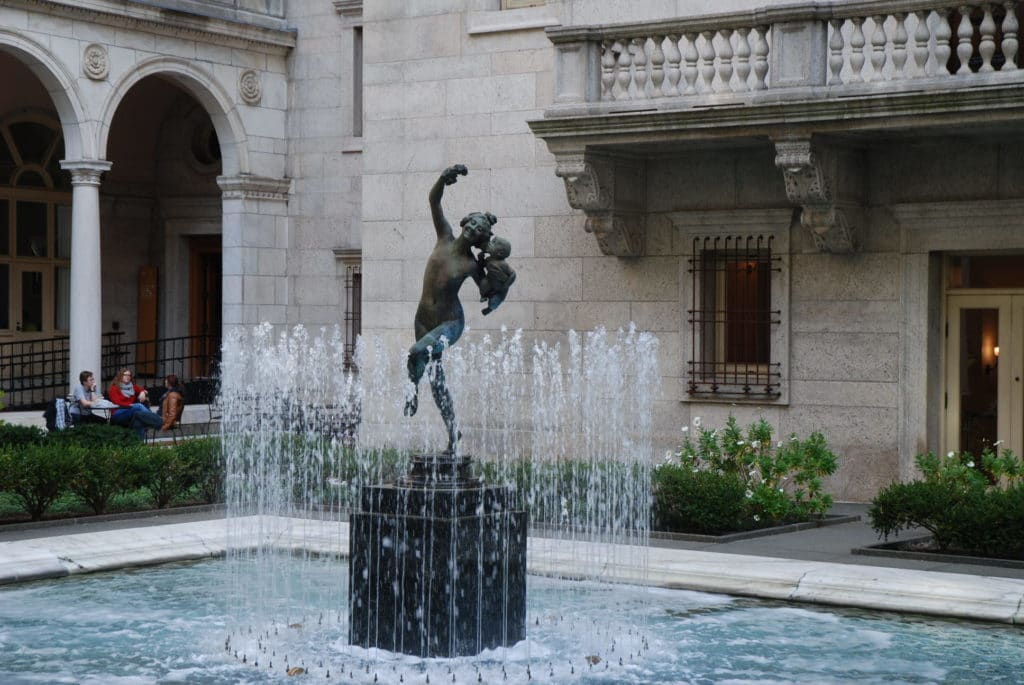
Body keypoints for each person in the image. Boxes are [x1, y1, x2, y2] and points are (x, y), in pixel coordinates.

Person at [404, 164, 495, 453]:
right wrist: (442, 179)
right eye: (471, 224)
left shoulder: (471, 264)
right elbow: (434, 201)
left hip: (450, 323)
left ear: (481, 238)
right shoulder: (444, 236)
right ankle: (453, 432)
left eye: (479, 230)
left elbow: (486, 293)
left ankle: (410, 393)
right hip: (423, 318)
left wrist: (494, 276)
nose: (472, 230)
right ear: (465, 223)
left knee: (416, 352)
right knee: (436, 378)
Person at [108, 368, 162, 438]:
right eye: (125, 375)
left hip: (130, 411)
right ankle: (158, 421)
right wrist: (131, 406)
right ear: (120, 376)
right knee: (138, 406)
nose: (127, 377)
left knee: (139, 420)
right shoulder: (114, 388)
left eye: (129, 375)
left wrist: (142, 392)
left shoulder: (132, 387)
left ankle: (139, 445)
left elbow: (142, 390)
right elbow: (117, 402)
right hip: (118, 413)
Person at [477, 235, 516, 315]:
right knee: (483, 284)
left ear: (500, 253)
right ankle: (484, 296)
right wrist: (481, 259)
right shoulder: (488, 260)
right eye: (492, 241)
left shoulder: (503, 265)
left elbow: (513, 274)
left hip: (500, 290)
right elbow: (481, 266)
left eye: (494, 243)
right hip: (490, 283)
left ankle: (489, 309)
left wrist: (506, 285)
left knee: (494, 302)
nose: (490, 243)